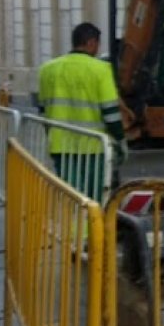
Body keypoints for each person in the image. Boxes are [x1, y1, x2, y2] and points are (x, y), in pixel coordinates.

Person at [37, 23, 126, 201]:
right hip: (93, 147)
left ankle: (74, 228)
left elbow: (43, 111)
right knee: (93, 198)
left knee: (71, 197)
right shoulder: (101, 69)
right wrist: (120, 140)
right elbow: (111, 113)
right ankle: (90, 229)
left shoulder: (47, 69)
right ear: (91, 42)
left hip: (61, 147)